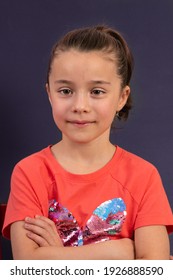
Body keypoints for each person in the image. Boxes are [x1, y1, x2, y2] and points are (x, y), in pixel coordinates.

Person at [2, 25, 173, 260]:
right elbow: (27, 265)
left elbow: (154, 269)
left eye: (97, 91)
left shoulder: (144, 177)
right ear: (49, 93)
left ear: (122, 97)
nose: (80, 105)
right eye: (65, 90)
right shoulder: (29, 173)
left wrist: (58, 256)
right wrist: (117, 252)